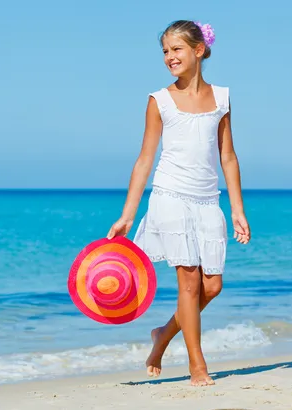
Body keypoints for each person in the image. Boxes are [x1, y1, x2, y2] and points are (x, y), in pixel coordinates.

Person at [106, 20, 251, 386]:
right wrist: (127, 215)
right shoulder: (159, 101)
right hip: (169, 196)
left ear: (199, 50)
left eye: (177, 49)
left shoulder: (222, 98)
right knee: (187, 285)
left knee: (212, 286)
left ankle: (162, 336)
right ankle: (197, 366)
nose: (170, 57)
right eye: (165, 51)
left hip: (207, 201)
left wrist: (237, 209)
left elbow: (228, 156)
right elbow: (144, 159)